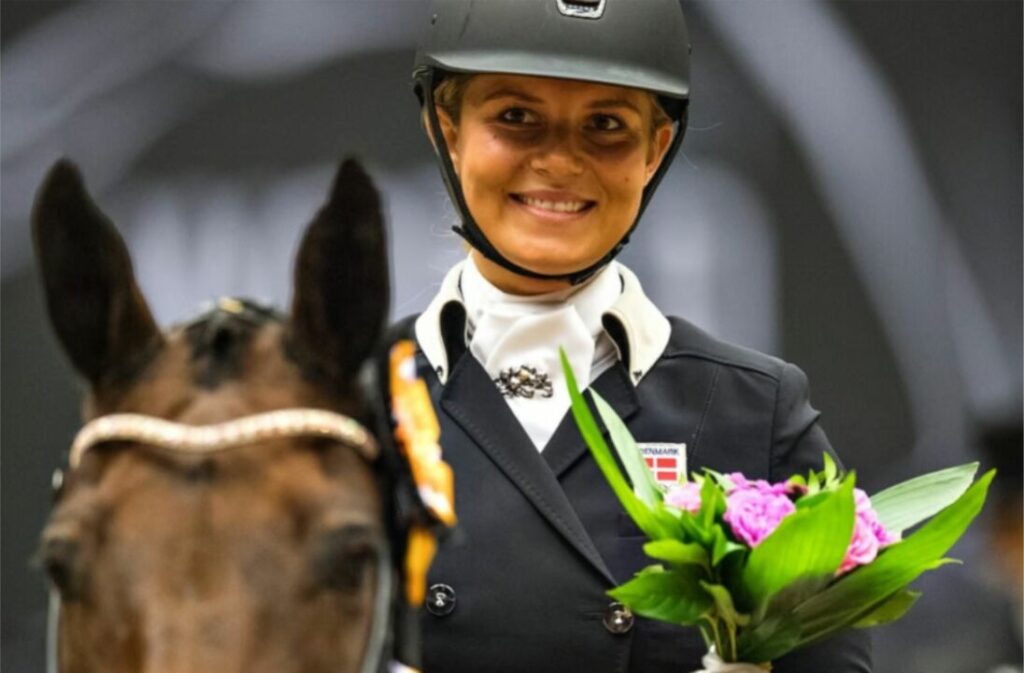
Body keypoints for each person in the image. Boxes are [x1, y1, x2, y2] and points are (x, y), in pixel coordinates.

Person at [385, 1, 872, 671]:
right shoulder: (352, 398)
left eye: (606, 124)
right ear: (447, 127)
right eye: (516, 117)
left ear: (656, 150)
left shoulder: (756, 412)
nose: (558, 160)